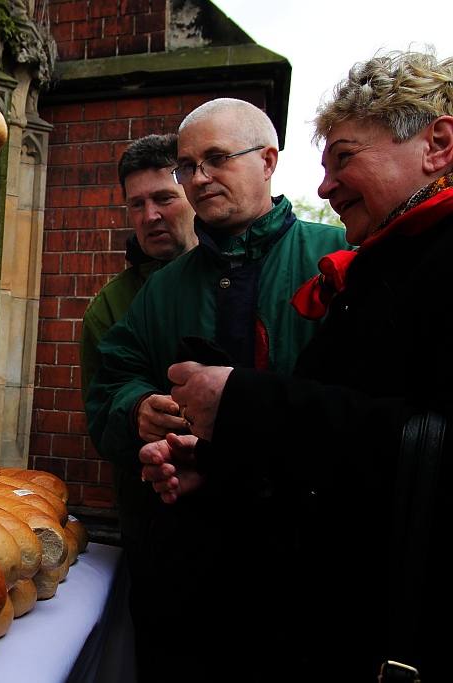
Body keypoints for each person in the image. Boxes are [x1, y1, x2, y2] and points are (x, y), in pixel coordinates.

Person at [140, 49, 453, 681]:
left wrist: (245, 407)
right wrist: (218, 466)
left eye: (345, 158)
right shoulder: (383, 266)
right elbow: (340, 451)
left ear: (437, 144)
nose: (327, 186)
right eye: (186, 166)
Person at [85, 98, 351, 682]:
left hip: (310, 573)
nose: (198, 178)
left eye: (216, 159)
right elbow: (113, 381)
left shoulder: (337, 258)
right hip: (189, 575)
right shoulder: (161, 289)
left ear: (268, 160)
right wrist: (139, 411)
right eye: (187, 165)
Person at [78, 133, 196, 568]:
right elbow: (101, 416)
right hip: (151, 522)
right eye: (136, 204)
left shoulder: (242, 274)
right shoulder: (109, 306)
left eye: (165, 197)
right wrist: (136, 413)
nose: (150, 215)